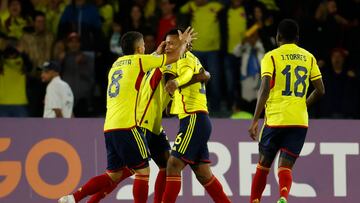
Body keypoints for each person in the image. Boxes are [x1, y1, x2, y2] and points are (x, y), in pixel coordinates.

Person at [58, 27, 195, 203]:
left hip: (110, 126)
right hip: (129, 125)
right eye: (144, 45)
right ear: (139, 49)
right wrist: (184, 42)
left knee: (113, 175)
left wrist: (155, 53)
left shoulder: (116, 64)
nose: (145, 48)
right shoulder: (139, 61)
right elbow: (174, 57)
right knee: (142, 172)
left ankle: (73, 198)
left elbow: (143, 63)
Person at [247, 19, 325, 203]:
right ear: (297, 38)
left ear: (278, 37)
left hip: (275, 119)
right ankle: (283, 196)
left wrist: (255, 120)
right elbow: (321, 90)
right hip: (299, 121)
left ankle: (254, 201)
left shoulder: (271, 57)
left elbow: (264, 88)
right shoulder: (309, 57)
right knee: (285, 167)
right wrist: (302, 105)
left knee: (263, 165)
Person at [161, 31, 231, 203]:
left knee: (173, 164)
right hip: (196, 119)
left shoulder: (184, 58)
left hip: (194, 118)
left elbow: (184, 75)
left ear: (182, 44)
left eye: (172, 43)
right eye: (167, 43)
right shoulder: (185, 58)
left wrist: (176, 82)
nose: (168, 46)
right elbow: (202, 75)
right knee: (204, 174)